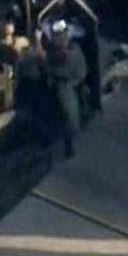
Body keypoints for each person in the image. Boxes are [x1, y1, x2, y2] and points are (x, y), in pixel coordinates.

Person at [36, 19, 87, 159]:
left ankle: (57, 142)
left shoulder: (64, 54)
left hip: (63, 84)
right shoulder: (74, 48)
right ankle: (63, 143)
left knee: (54, 111)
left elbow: (44, 59)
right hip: (72, 81)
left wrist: (38, 39)